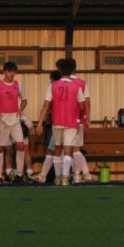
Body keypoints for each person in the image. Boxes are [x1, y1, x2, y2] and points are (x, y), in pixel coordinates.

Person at [36, 58, 85, 186]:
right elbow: (82, 106)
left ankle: (57, 177)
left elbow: (46, 105)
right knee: (68, 149)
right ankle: (65, 178)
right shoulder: (77, 86)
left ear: (60, 70)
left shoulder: (53, 86)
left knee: (57, 148)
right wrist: (79, 118)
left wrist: (40, 122)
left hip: (57, 121)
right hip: (71, 122)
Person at [0, 61, 28, 182]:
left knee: (21, 146)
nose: (11, 74)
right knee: (0, 148)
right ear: (4, 72)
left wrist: (20, 110)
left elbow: (24, 100)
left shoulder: (18, 85)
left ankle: (19, 174)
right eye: (9, 71)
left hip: (14, 119)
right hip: (2, 119)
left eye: (13, 71)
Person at [68, 58, 93, 183]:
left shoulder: (60, 82)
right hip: (78, 119)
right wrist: (88, 119)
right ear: (75, 69)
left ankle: (83, 174)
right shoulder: (82, 83)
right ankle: (79, 175)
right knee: (75, 149)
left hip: (64, 120)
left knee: (71, 150)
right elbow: (87, 102)